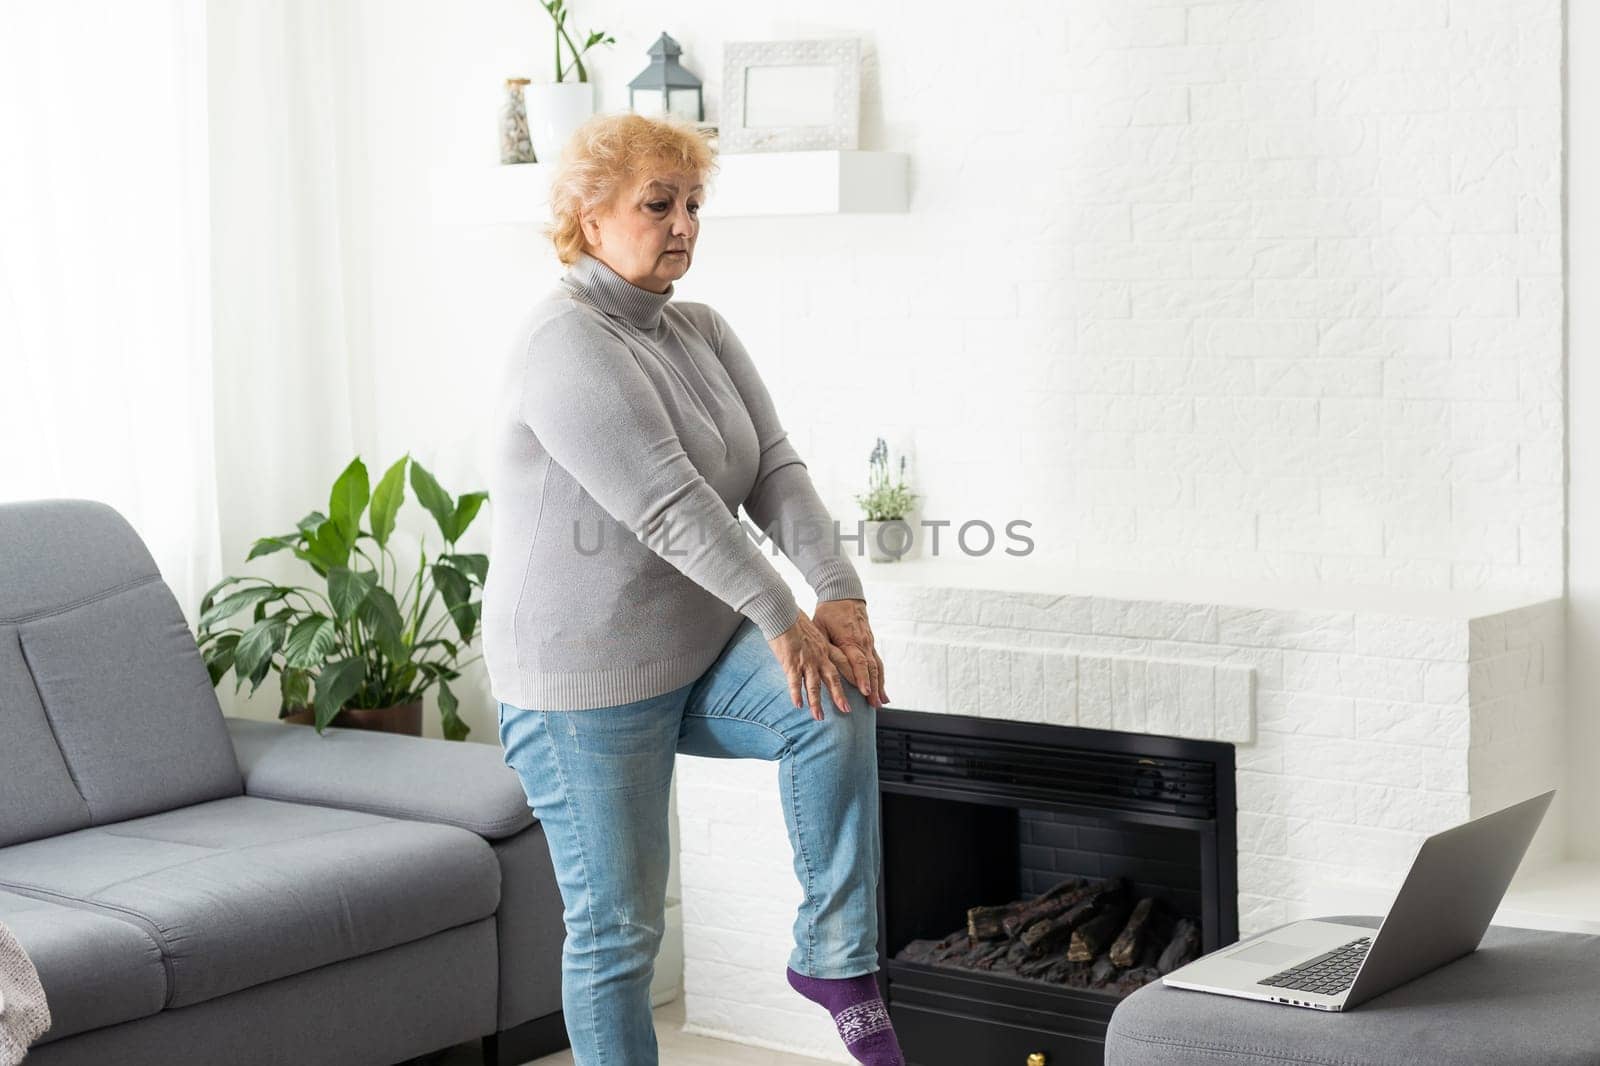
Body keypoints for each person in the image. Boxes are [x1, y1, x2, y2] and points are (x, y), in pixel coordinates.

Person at [481, 111, 905, 1066]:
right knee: (618, 933)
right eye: (656, 204)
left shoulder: (699, 329)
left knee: (833, 702)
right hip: (578, 684)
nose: (683, 224)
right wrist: (783, 616)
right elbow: (671, 507)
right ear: (590, 219)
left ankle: (835, 959)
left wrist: (838, 597)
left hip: (694, 651)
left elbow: (775, 471)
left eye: (693, 203)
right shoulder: (563, 344)